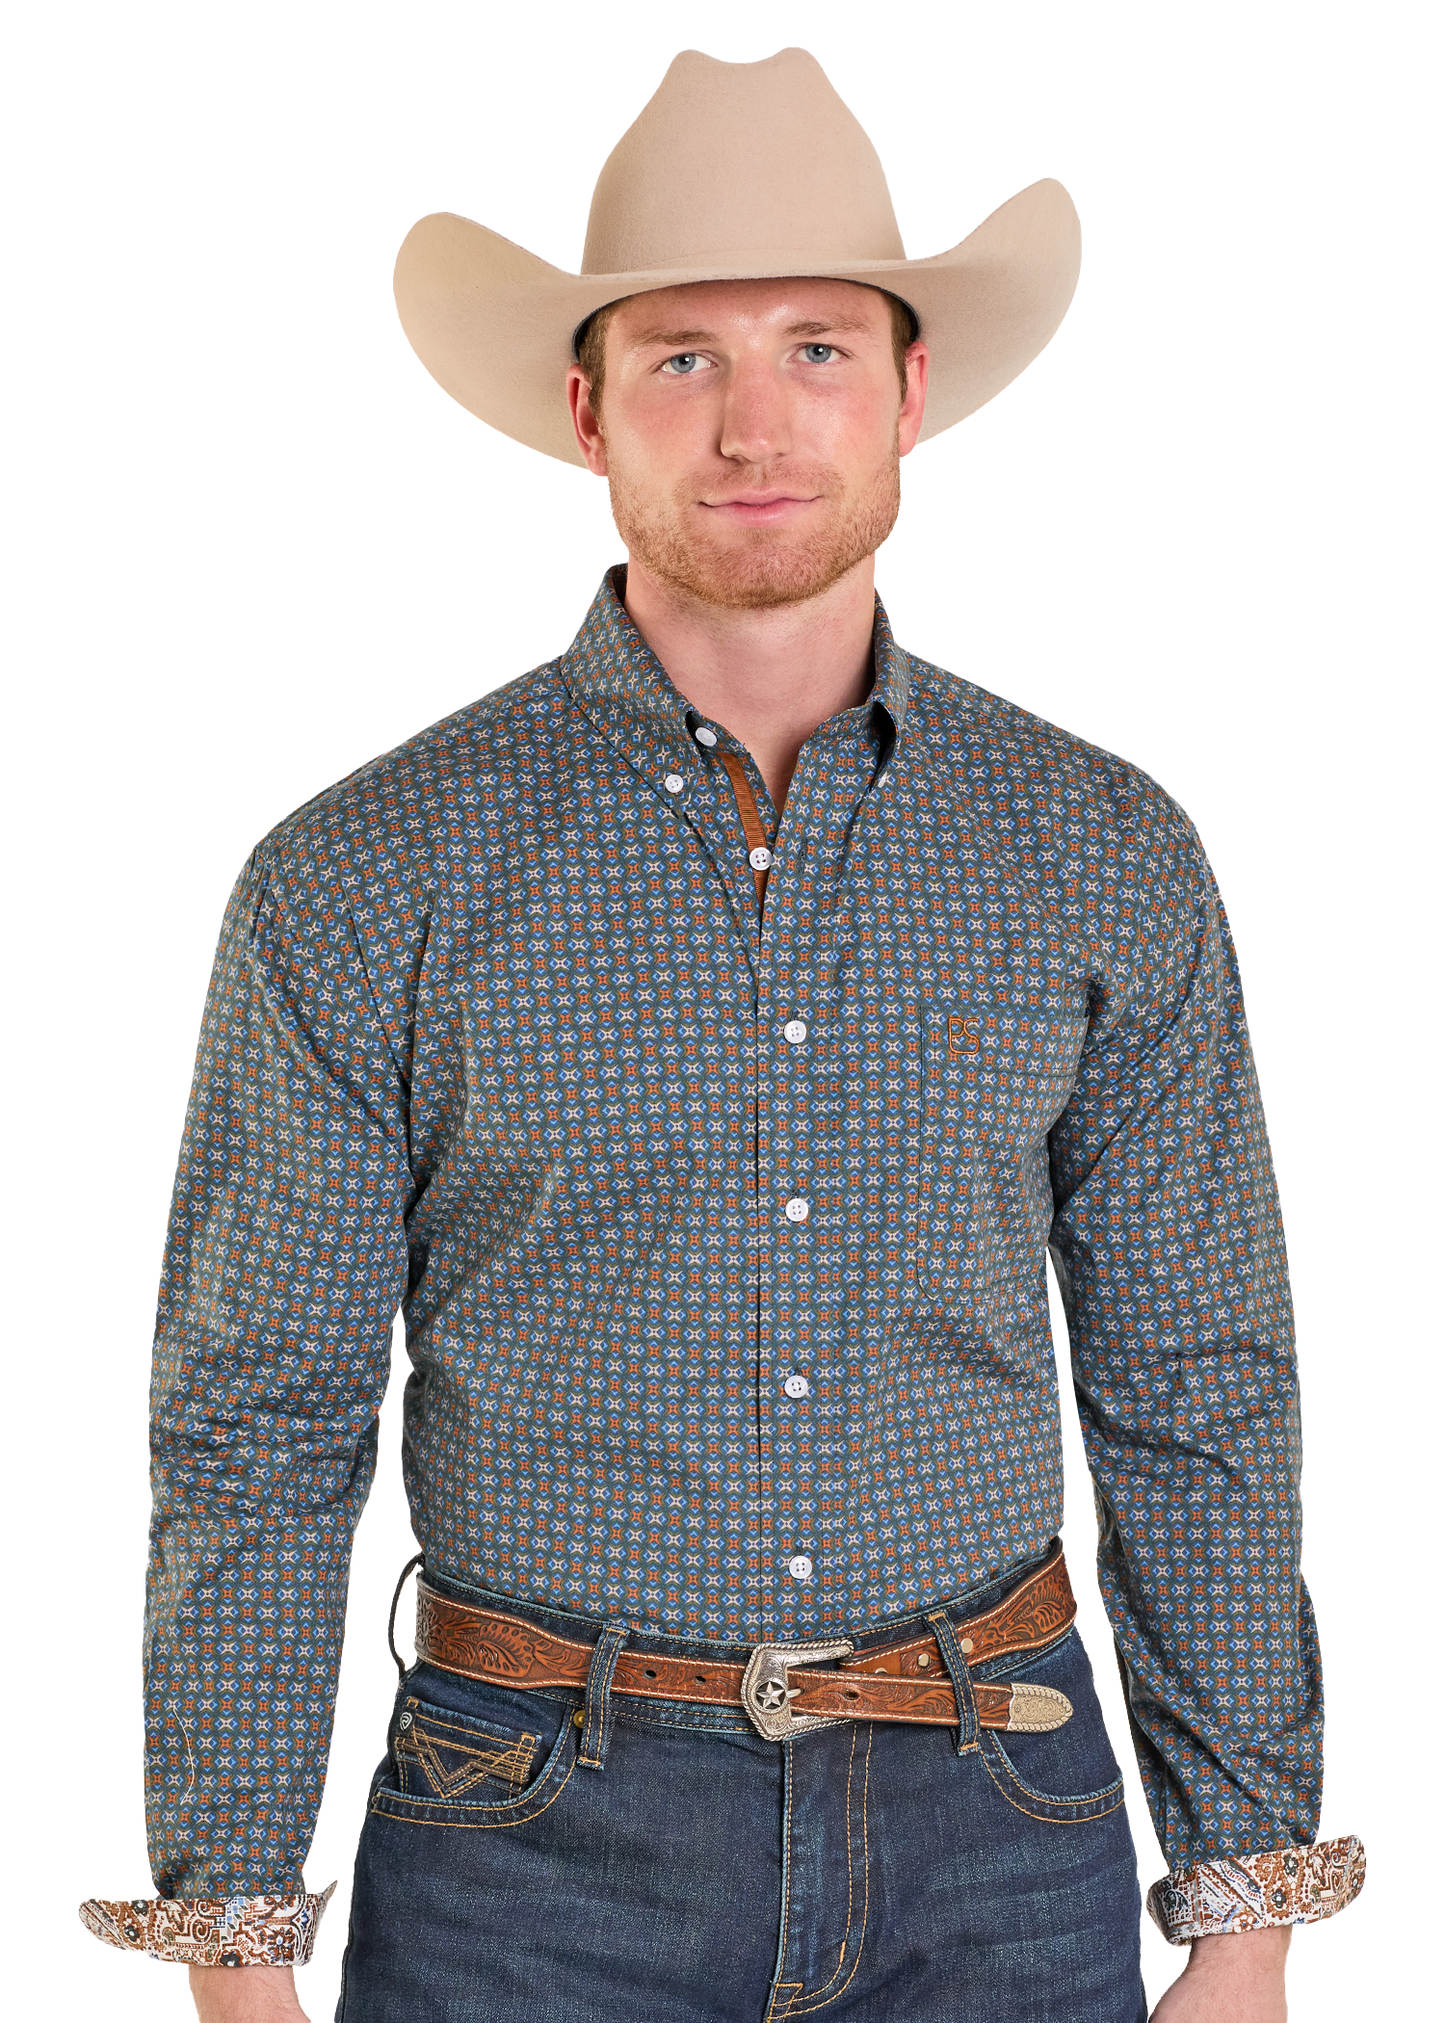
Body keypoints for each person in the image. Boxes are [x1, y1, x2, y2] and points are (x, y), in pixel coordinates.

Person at [77, 44, 1366, 2023]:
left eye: (815, 350)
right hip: (522, 1851)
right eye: (682, 357)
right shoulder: (358, 874)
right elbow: (255, 1425)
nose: (755, 421)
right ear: (584, 408)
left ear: (909, 390)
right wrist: (237, 1941)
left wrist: (1243, 1914)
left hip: (1001, 1836)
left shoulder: (1105, 849)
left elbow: (1193, 1383)